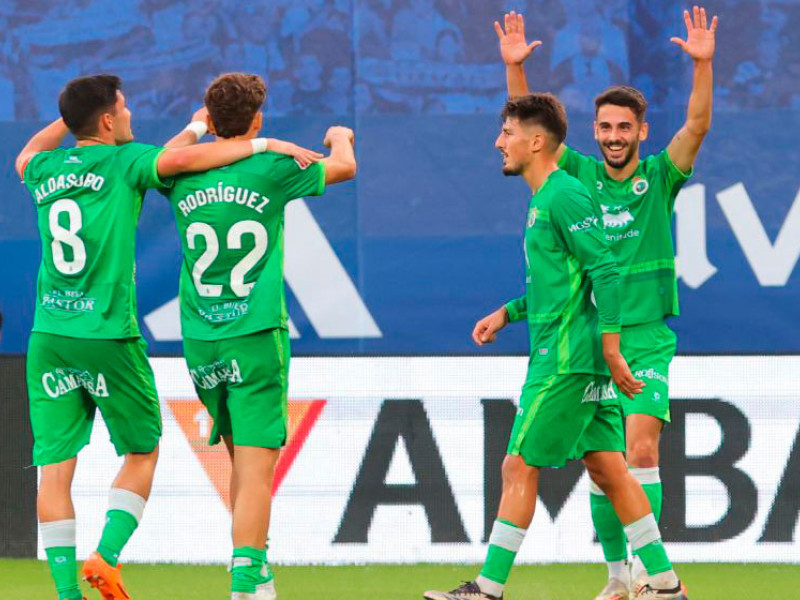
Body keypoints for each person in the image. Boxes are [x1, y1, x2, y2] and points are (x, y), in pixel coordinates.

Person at [16, 73, 316, 600]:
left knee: (54, 470)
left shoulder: (42, 169)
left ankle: (67, 594)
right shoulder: (125, 161)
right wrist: (266, 143)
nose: (130, 117)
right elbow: (178, 162)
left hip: (48, 336)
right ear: (108, 120)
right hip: (106, 334)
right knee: (143, 451)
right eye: (124, 109)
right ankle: (107, 558)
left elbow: (25, 154)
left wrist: (75, 118)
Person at [423, 93, 688, 600]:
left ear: (536, 141)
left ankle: (488, 587)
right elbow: (561, 285)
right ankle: (667, 584)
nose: (498, 142)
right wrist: (508, 312)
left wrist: (612, 349)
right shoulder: (548, 196)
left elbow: (605, 272)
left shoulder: (562, 195)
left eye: (507, 133)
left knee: (518, 464)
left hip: (565, 361)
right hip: (575, 355)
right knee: (611, 470)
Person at [494, 7, 716, 598]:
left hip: (642, 336)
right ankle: (619, 575)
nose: (614, 137)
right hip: (592, 337)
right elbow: (529, 134)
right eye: (606, 127)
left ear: (641, 131)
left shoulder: (661, 178)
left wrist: (703, 65)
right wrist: (517, 72)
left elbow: (696, 125)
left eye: (625, 128)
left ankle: (645, 574)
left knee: (640, 445)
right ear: (595, 132)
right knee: (604, 459)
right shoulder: (579, 177)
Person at [160, 72, 357, 600]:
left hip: (201, 339)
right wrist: (341, 135)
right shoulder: (270, 167)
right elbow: (343, 168)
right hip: (254, 332)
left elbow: (167, 155)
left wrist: (195, 127)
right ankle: (245, 579)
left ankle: (259, 570)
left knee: (239, 464)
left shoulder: (179, 173)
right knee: (254, 467)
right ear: (257, 120)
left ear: (210, 116)